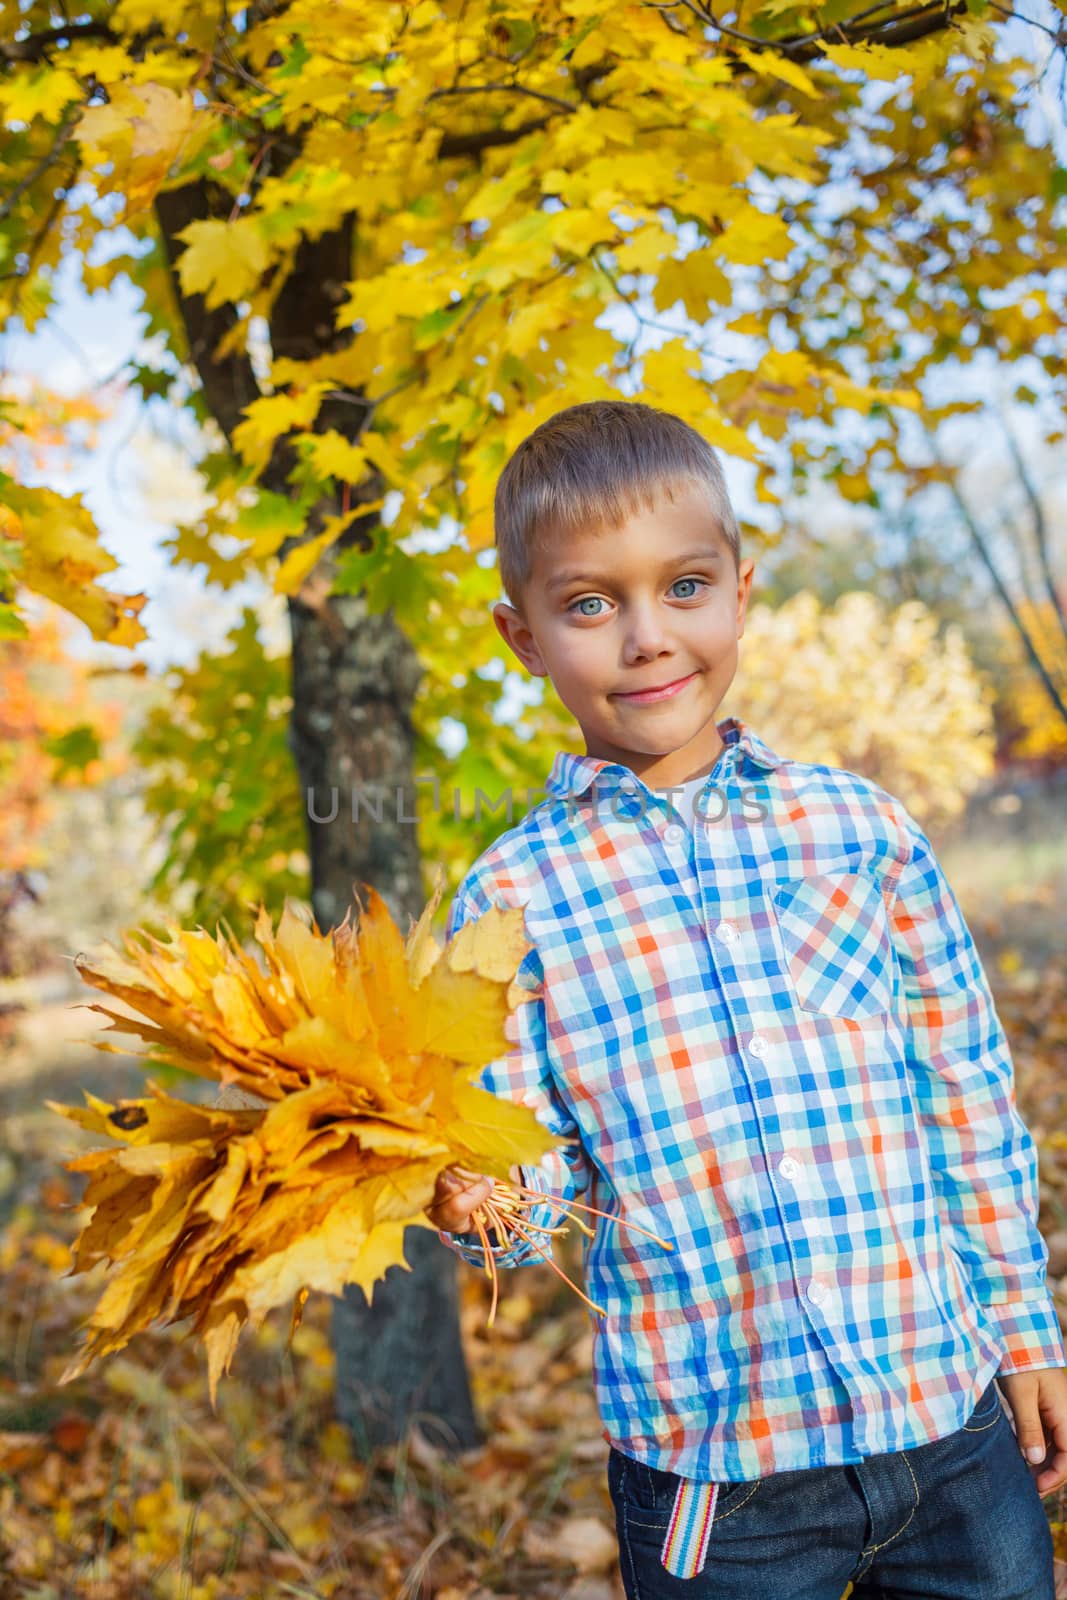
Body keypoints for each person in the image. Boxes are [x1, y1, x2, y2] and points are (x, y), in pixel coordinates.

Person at [425, 398, 1067, 1599]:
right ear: (521, 636)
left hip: (945, 1420)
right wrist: (478, 1194)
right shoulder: (512, 895)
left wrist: (1023, 1328)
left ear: (740, 587)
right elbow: (530, 1160)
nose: (645, 638)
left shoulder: (856, 830)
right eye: (587, 605)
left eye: (682, 586)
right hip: (718, 1481)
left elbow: (962, 1096)